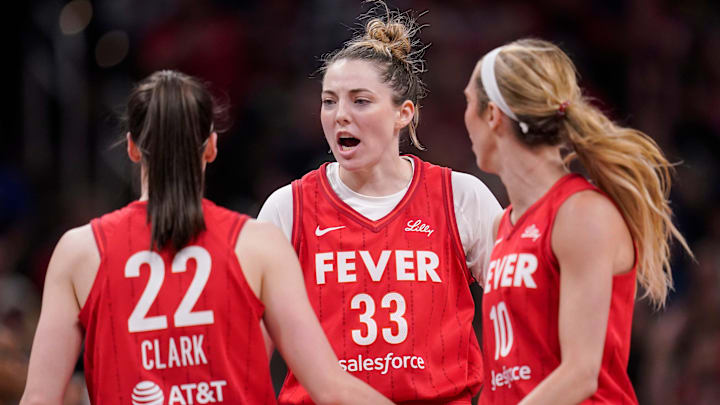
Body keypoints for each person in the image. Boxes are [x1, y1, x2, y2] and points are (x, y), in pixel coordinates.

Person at [20, 70, 395, 405]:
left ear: (133, 148)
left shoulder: (79, 251)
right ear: (212, 146)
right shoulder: (258, 244)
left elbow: (40, 398)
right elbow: (330, 389)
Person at [257, 4, 502, 404]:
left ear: (403, 114)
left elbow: (517, 318)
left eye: (360, 101)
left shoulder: (461, 196)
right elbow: (249, 353)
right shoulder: (287, 207)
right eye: (329, 101)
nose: (340, 116)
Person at [462, 38, 693, 404]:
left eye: (469, 103)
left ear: (493, 116)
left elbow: (580, 374)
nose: (465, 118)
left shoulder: (580, 214)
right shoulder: (502, 226)